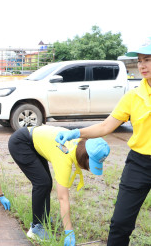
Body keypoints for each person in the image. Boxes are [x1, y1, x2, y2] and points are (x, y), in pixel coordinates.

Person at [55, 41, 151, 246]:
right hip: (140, 164)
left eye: (148, 60)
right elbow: (106, 126)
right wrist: (76, 133)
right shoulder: (133, 97)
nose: (143, 65)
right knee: (120, 223)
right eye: (140, 61)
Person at [9, 125, 110, 245]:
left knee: (46, 182)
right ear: (84, 158)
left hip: (33, 139)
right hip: (21, 143)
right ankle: (36, 228)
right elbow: (62, 198)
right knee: (42, 183)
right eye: (89, 165)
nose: (87, 169)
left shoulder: (79, 142)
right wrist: (69, 231)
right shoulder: (64, 156)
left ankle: (43, 217)